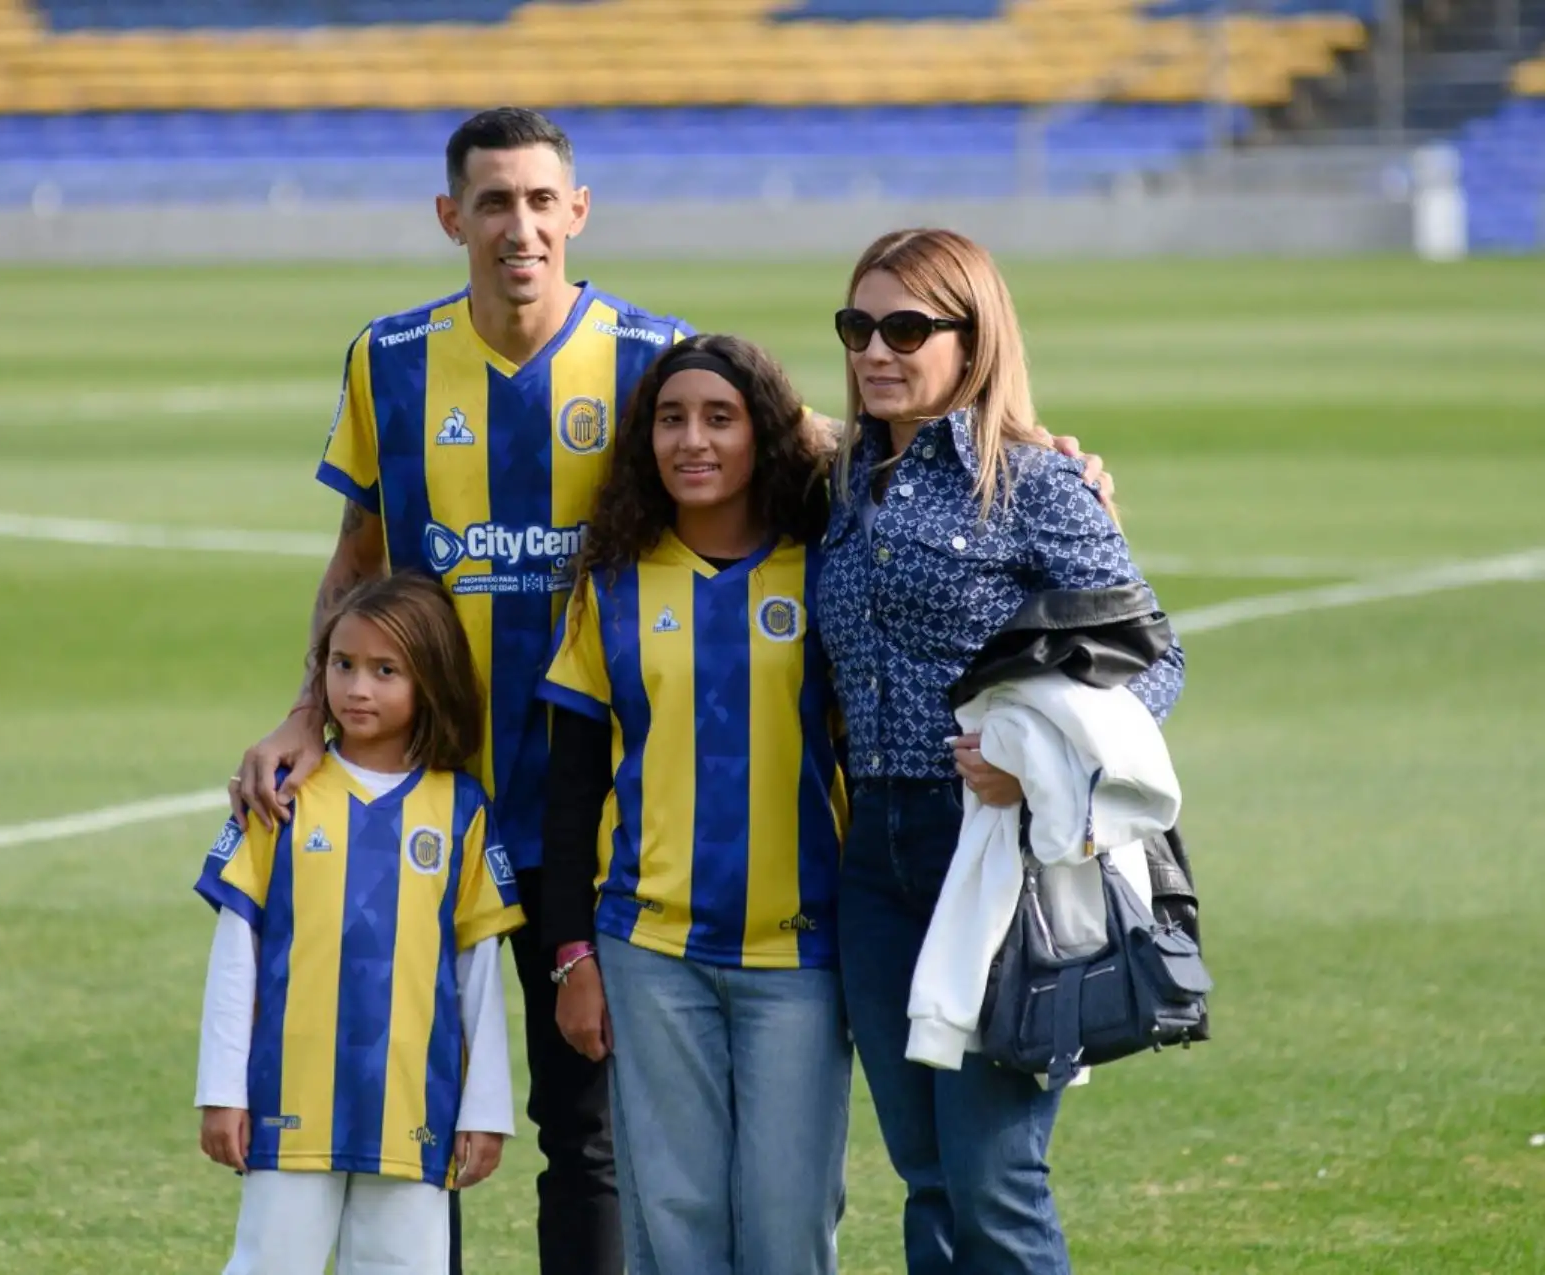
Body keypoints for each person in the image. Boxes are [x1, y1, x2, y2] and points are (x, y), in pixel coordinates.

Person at [226, 105, 1115, 1275]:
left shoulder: (652, 355)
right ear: (453, 217)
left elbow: (813, 435)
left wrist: (1007, 442)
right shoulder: (386, 359)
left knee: (585, 1138)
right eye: (494, 202)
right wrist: (306, 705)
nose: (521, 227)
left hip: (590, 825)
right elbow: (362, 554)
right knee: (409, 1117)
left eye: (543, 201)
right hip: (427, 792)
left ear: (578, 212)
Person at [813, 227, 1187, 1275]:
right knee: (927, 1177)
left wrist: (1038, 762)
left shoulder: (1033, 483)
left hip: (991, 855)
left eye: (905, 328)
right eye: (857, 327)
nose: (876, 350)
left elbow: (1153, 661)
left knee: (993, 1183)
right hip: (871, 860)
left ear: (973, 339)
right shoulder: (841, 481)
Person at [539, 335, 851, 1275]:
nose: (693, 440)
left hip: (800, 953)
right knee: (673, 1231)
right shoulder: (612, 584)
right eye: (672, 419)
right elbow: (571, 788)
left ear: (766, 434)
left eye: (722, 417)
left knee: (787, 1229)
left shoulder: (826, 572)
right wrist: (571, 957)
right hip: (650, 955)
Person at [192, 573, 524, 1275]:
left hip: (413, 1103)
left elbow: (480, 974)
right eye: (343, 664)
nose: (358, 689)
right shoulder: (282, 794)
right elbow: (236, 956)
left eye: (385, 670)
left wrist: (485, 1107)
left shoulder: (462, 809)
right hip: (290, 1100)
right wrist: (222, 1089)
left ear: (429, 680)